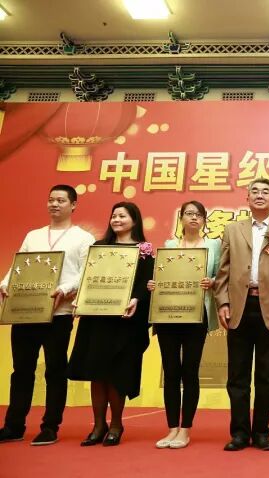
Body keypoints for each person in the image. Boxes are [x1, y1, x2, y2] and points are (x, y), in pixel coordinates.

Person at [0, 185, 95, 446]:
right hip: (26, 312)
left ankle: (50, 426)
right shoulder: (34, 235)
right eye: (51, 200)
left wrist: (65, 289)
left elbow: (85, 272)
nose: (54, 204)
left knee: (55, 370)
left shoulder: (83, 238)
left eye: (61, 200)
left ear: (73, 205)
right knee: (21, 370)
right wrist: (5, 284)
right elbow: (19, 266)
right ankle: (14, 425)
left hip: (59, 313)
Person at [214, 178, 269, 452]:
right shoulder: (232, 229)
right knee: (237, 376)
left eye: (265, 192)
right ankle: (239, 433)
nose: (260, 195)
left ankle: (262, 432)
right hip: (239, 307)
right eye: (255, 191)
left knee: (266, 375)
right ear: (247, 198)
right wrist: (222, 302)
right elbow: (223, 270)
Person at [67, 202, 155, 447]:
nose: (116, 220)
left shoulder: (144, 250)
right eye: (114, 215)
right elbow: (88, 278)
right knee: (96, 374)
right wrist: (80, 300)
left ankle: (116, 424)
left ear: (134, 220)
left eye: (122, 216)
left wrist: (136, 299)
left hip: (125, 322)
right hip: (97, 320)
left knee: (117, 375)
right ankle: (98, 425)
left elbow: (147, 283)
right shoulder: (98, 247)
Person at [147, 201, 221, 449]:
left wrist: (212, 281)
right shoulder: (169, 246)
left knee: (190, 371)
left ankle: (185, 429)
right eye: (189, 213)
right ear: (181, 218)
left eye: (198, 214)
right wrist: (154, 284)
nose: (194, 218)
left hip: (197, 315)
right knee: (170, 371)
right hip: (168, 315)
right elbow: (162, 277)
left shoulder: (213, 245)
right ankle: (171, 428)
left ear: (204, 219)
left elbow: (222, 274)